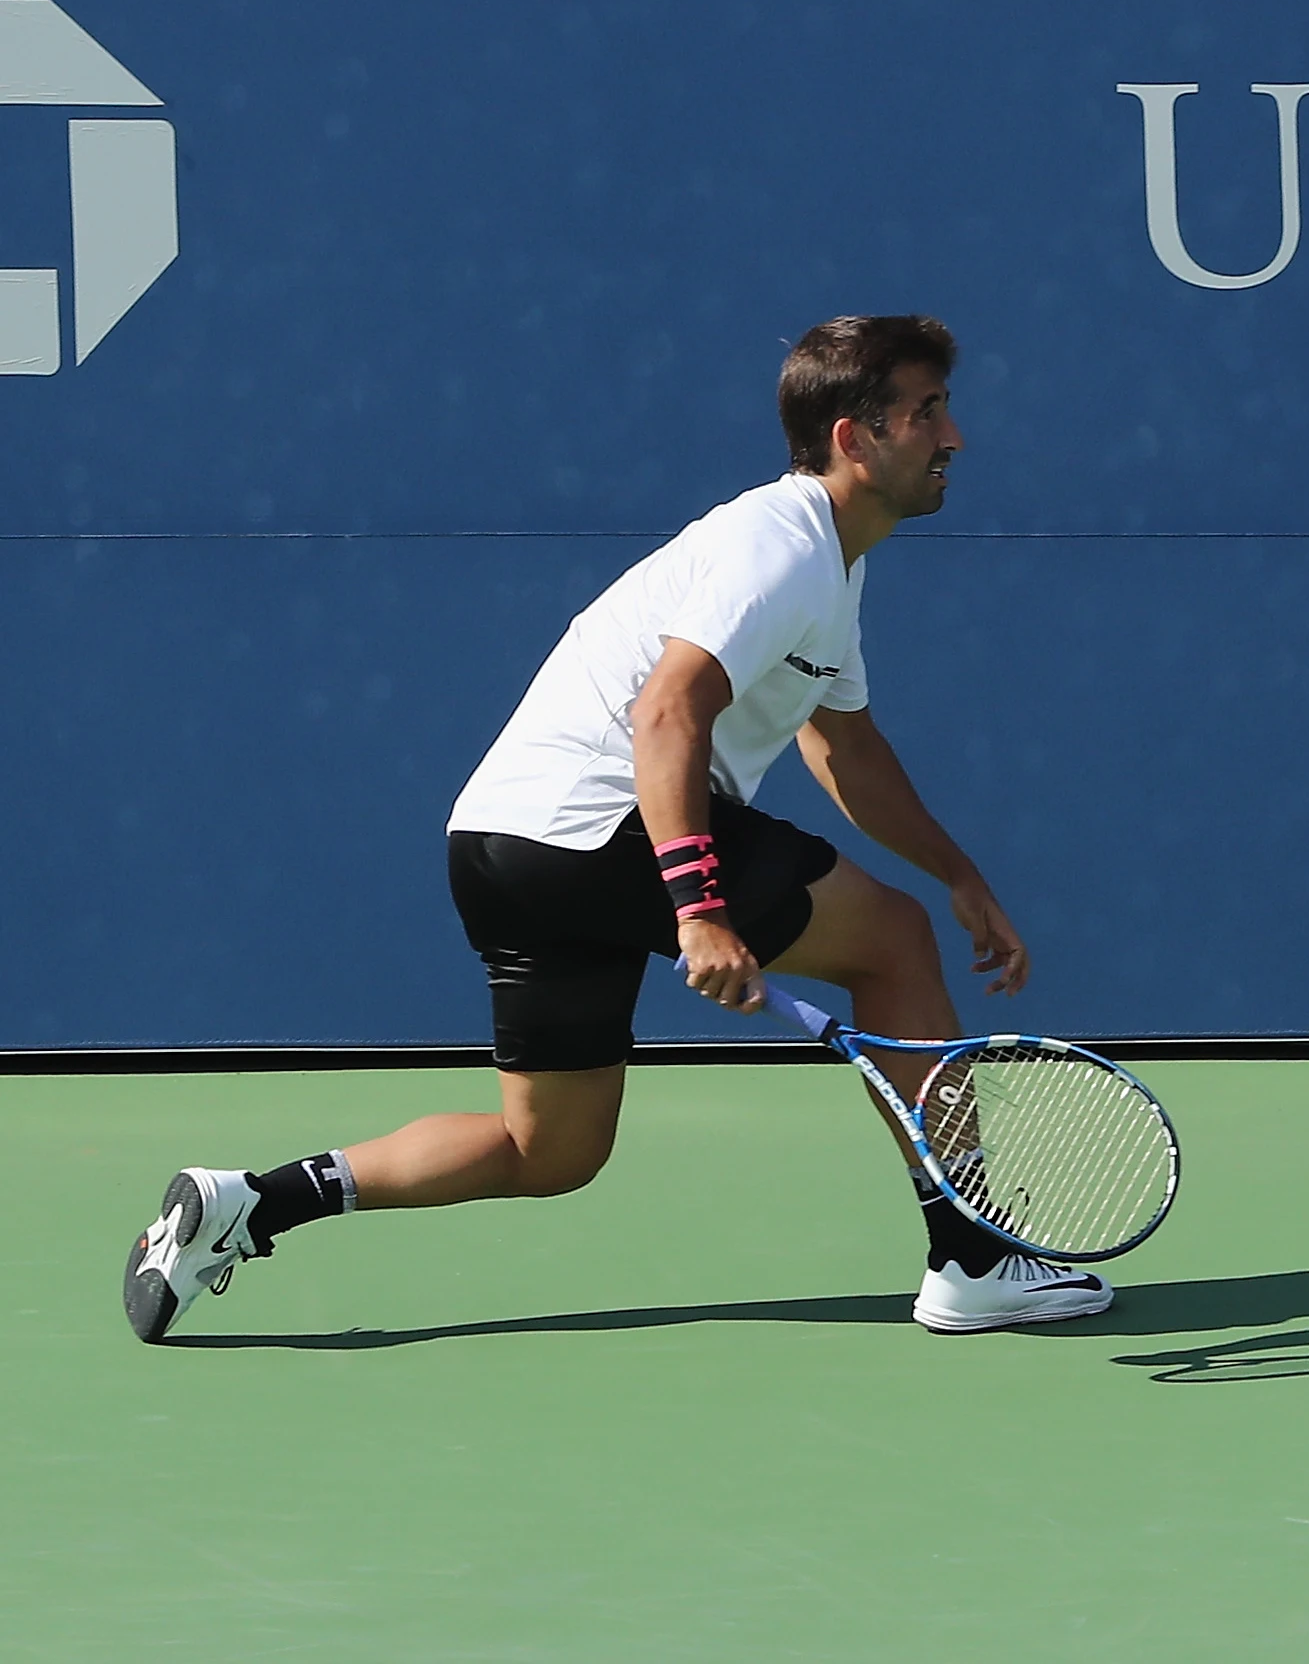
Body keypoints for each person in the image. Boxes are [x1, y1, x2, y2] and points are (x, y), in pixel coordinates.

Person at [122, 315, 1116, 1339]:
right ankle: (975, 1250)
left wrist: (960, 872)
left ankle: (247, 1201)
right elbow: (666, 712)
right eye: (928, 411)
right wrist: (699, 906)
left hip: (503, 844)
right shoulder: (779, 549)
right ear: (853, 438)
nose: (954, 436)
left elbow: (845, 748)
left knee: (548, 1151)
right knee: (891, 941)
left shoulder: (827, 564)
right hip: (607, 821)